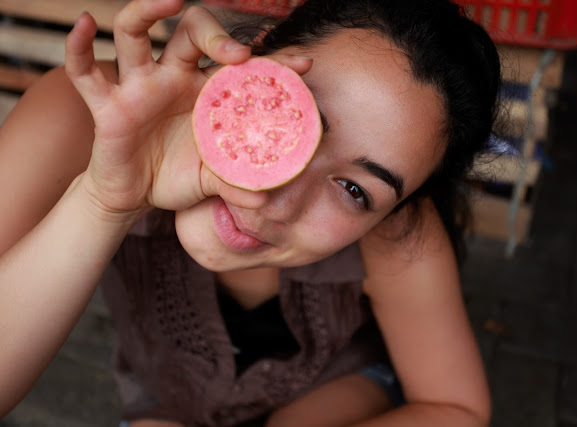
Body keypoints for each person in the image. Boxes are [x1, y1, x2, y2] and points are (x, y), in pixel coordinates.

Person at [0, 0, 502, 425]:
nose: (272, 199)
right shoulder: (81, 116)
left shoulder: (398, 234)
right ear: (252, 55)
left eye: (354, 189)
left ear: (392, 213)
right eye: (291, 115)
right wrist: (103, 201)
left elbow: (454, 408)